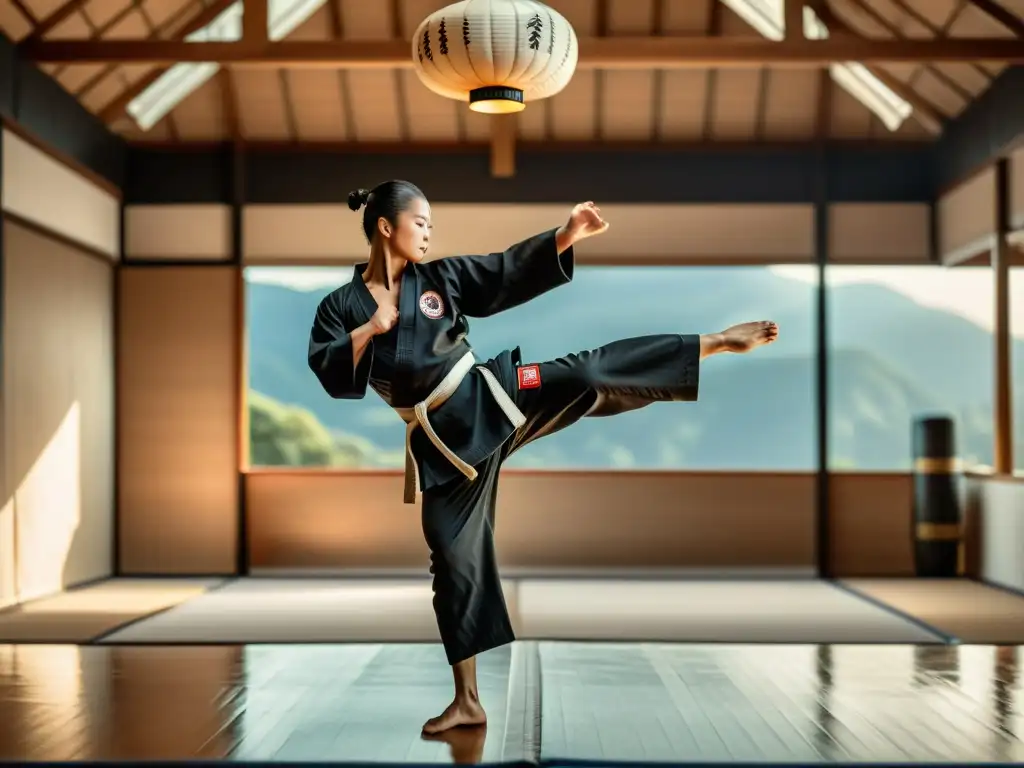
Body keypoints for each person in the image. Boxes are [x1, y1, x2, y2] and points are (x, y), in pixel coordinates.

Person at [307, 180, 779, 734]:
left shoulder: (439, 280)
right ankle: (468, 700)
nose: (429, 232)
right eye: (421, 222)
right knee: (454, 559)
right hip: (445, 447)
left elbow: (503, 271)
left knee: (584, 372)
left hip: (499, 394)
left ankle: (714, 341)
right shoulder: (341, 307)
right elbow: (332, 372)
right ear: (386, 226)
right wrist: (370, 329)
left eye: (431, 223)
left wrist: (568, 233)